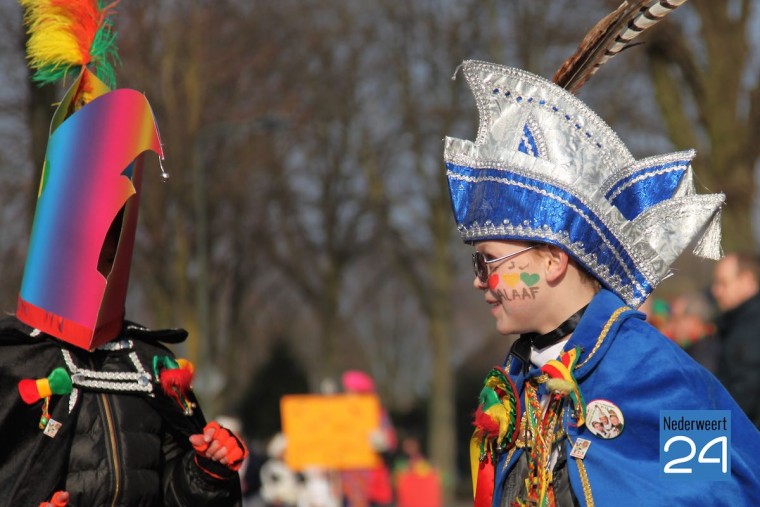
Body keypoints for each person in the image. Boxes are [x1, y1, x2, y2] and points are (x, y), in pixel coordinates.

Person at [443, 5, 760, 506]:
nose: (480, 281)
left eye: (489, 261)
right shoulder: (517, 381)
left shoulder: (660, 375)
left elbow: (729, 493)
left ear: (552, 260)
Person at [1, 4, 245, 505]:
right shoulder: (13, 363)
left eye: (113, 237)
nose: (100, 256)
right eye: (88, 235)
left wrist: (208, 471)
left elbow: (178, 492)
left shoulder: (152, 365)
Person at [711, 252, 760, 426]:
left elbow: (742, 398)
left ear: (747, 281)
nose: (716, 291)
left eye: (723, 283)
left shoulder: (752, 328)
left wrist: (689, 428)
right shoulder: (736, 324)